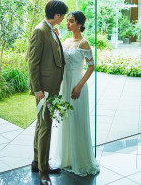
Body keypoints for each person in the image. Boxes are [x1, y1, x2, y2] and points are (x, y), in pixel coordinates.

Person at [53, 11, 100, 176]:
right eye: (67, 21)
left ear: (79, 24)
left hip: (77, 84)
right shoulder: (65, 41)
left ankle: (80, 159)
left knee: (77, 121)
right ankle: (67, 159)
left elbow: (91, 66)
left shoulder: (84, 43)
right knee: (66, 119)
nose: (68, 24)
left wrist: (80, 85)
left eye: (71, 21)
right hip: (65, 84)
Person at [28, 0, 68, 185]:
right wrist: (37, 89)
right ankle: (44, 170)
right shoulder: (40, 30)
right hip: (44, 90)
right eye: (63, 16)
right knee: (45, 126)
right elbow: (32, 63)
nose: (64, 19)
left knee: (41, 124)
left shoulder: (50, 29)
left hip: (51, 87)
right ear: (57, 15)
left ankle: (37, 162)